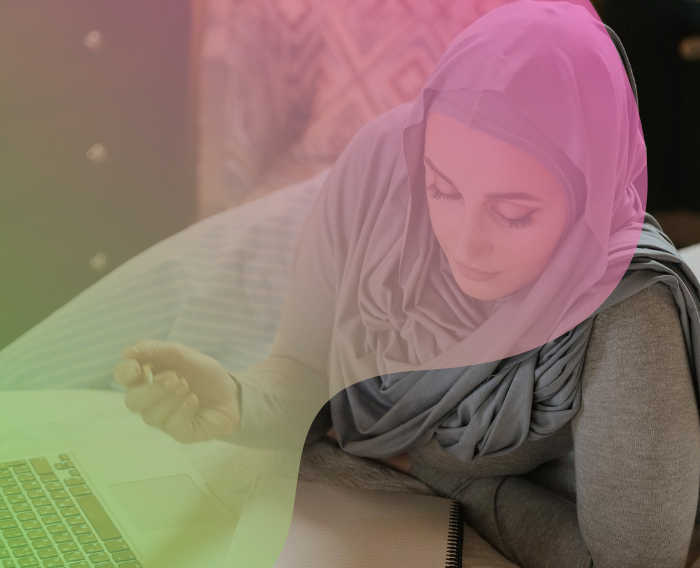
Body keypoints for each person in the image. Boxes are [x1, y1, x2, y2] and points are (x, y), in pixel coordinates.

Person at [113, 1, 700, 566]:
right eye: (442, 190)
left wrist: (428, 469)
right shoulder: (381, 173)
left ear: (587, 201)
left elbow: (633, 561)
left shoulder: (630, 313)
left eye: (513, 213)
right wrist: (239, 401)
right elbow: (305, 370)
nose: (464, 245)